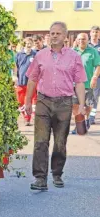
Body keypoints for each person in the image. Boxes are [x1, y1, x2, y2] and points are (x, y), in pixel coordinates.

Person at [25, 21, 87, 190]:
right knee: (40, 141)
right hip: (43, 101)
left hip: (64, 103)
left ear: (65, 37)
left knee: (60, 142)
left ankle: (57, 173)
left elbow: (80, 82)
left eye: (58, 33)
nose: (54, 36)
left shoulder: (74, 56)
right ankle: (40, 178)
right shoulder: (41, 55)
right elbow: (32, 79)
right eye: (52, 33)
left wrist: (81, 104)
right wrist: (28, 101)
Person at [70, 33, 100, 134]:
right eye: (79, 39)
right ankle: (79, 125)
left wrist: (94, 77)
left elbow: (98, 66)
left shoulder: (93, 52)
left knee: (88, 105)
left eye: (83, 39)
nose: (81, 41)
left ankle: (86, 122)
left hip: (88, 84)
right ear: (76, 40)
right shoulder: (72, 52)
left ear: (88, 40)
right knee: (75, 105)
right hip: (75, 84)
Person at [14, 37, 36, 126]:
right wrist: (15, 76)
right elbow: (15, 66)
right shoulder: (18, 55)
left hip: (31, 82)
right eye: (27, 43)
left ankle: (28, 119)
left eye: (30, 43)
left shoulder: (35, 54)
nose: (29, 44)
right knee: (20, 102)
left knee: (29, 100)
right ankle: (24, 116)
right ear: (24, 44)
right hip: (20, 81)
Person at [88, 25, 100, 124]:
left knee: (95, 97)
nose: (95, 34)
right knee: (90, 97)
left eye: (97, 32)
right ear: (90, 33)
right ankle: (89, 116)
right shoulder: (86, 45)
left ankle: (91, 117)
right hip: (90, 76)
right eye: (93, 32)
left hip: (98, 76)